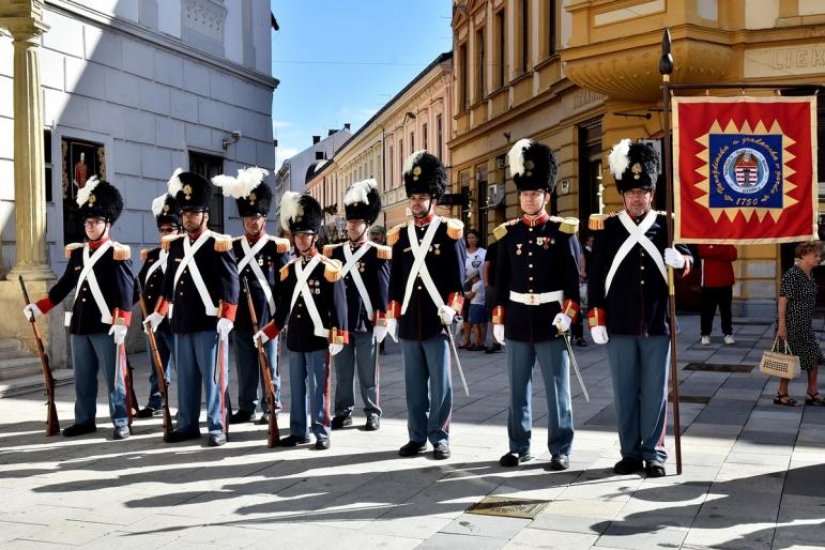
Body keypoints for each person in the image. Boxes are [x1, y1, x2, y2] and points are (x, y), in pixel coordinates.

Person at [587, 139, 693, 477]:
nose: (637, 197)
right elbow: (595, 278)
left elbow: (692, 259)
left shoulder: (668, 225)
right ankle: (630, 452)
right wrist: (596, 318)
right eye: (632, 192)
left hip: (657, 324)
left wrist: (683, 260)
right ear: (622, 194)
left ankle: (655, 452)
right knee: (624, 391)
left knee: (655, 394)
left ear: (652, 192)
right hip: (619, 324)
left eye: (644, 191)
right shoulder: (608, 229)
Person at [492, 138, 580, 471]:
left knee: (558, 390)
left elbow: (573, 286)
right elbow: (499, 283)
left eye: (536, 193)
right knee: (517, 390)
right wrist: (498, 318)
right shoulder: (508, 233)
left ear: (547, 195)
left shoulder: (562, 232)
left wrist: (568, 316)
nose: (530, 198)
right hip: (517, 319)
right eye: (525, 194)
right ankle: (519, 445)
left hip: (550, 319)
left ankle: (560, 448)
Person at [24, 177, 134, 440]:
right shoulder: (78, 254)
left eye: (96, 221)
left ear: (107, 223)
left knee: (115, 378)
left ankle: (121, 420)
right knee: (83, 378)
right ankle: (85, 419)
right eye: (87, 222)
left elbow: (126, 293)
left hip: (107, 326)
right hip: (81, 325)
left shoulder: (117, 254)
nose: (91, 226)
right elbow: (63, 286)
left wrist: (122, 324)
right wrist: (39, 308)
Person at [144, 169, 240, 447]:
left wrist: (229, 315)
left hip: (210, 321)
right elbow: (168, 285)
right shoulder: (175, 247)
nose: (188, 218)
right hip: (182, 322)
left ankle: (217, 425)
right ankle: (187, 423)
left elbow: (229, 282)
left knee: (213, 378)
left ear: (205, 215)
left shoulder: (218, 244)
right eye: (185, 214)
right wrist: (158, 312)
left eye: (193, 213)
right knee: (186, 378)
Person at [387, 150, 466, 460]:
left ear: (434, 198)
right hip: (409, 321)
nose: (417, 202)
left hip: (437, 321)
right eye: (414, 197)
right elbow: (395, 282)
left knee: (441, 386)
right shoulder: (401, 235)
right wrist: (393, 315)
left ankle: (440, 435)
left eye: (422, 197)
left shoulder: (448, 233)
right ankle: (417, 435)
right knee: (414, 386)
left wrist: (452, 308)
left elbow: (457, 283)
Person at [256, 192, 348, 450]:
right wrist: (268, 331)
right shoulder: (289, 270)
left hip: (319, 337)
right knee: (297, 387)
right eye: (297, 235)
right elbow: (283, 309)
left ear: (315, 237)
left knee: (320, 387)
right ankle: (299, 430)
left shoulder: (328, 267)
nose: (301, 240)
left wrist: (338, 336)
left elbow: (338, 305)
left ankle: (321, 430)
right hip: (296, 337)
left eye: (306, 235)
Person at [213, 167, 290, 425]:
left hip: (268, 317)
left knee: (270, 366)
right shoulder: (234, 247)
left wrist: (280, 318)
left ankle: (272, 403)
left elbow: (283, 285)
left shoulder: (276, 247)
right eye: (247, 218)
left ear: (264, 219)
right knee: (245, 367)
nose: (252, 222)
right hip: (242, 318)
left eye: (256, 217)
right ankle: (247, 406)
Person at [325, 179, 391, 432]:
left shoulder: (377, 253)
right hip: (341, 323)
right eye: (350, 222)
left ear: (366, 224)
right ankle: (343, 412)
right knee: (343, 373)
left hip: (365, 321)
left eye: (357, 222)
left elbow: (382, 289)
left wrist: (382, 321)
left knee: (367, 373)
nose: (352, 226)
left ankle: (372, 412)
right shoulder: (335, 253)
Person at [134, 192, 183, 418]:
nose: (165, 234)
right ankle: (157, 400)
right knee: (157, 365)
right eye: (162, 230)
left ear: (179, 231)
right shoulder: (153, 257)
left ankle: (186, 401)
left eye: (170, 230)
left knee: (183, 365)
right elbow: (140, 287)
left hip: (175, 319)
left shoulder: (183, 255)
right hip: (153, 320)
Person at [774, 241, 824, 407]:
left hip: (805, 325)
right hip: (791, 324)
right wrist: (782, 326)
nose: (819, 258)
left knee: (814, 356)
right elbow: (782, 302)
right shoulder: (793, 274)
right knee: (789, 359)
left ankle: (812, 393)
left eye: (819, 255)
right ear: (803, 255)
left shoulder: (810, 274)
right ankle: (782, 394)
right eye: (815, 255)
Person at [698, 244, 737, 345]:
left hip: (726, 280)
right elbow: (703, 251)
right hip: (708, 281)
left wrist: (714, 251)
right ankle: (705, 334)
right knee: (707, 311)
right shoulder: (703, 238)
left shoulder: (726, 238)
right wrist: (723, 251)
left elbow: (733, 255)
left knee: (726, 311)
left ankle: (728, 333)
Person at [459, 229, 486, 348]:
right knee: (466, 312)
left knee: (477, 312)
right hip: (465, 283)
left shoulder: (483, 252)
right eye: (468, 238)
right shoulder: (463, 252)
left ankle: (479, 341)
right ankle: (466, 339)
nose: (470, 240)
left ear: (477, 239)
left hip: (479, 283)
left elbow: (486, 267)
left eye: (473, 238)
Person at [370, 225, 389, 355]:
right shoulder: (367, 250)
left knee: (381, 317)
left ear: (383, 237)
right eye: (373, 234)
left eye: (377, 234)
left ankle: (381, 345)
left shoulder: (387, 251)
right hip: (369, 291)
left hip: (383, 289)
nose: (375, 237)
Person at [483, 239, 502, 353]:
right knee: (493, 314)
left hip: (507, 287)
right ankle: (496, 341)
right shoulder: (493, 246)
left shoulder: (512, 243)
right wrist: (486, 284)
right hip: (493, 286)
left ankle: (501, 340)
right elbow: (486, 266)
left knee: (498, 314)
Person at [464, 269, 486, 350]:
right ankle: (481, 343)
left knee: (475, 326)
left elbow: (470, 296)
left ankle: (477, 344)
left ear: (475, 277)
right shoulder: (483, 283)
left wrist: (464, 294)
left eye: (471, 279)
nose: (471, 281)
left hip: (475, 306)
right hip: (482, 305)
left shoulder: (475, 285)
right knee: (481, 325)